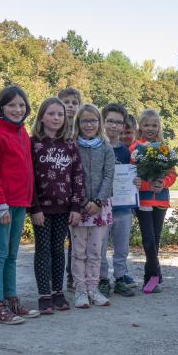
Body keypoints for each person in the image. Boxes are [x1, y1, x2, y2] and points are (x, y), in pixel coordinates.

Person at [0, 85, 40, 323]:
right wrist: (0, 205)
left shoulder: (22, 132)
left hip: (20, 202)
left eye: (21, 105)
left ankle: (11, 298)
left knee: (12, 254)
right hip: (4, 205)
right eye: (12, 105)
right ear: (1, 108)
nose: (17, 109)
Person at [30, 97, 84, 314]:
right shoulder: (33, 143)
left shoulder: (70, 144)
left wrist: (75, 206)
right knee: (43, 250)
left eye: (60, 114)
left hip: (64, 207)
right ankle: (44, 294)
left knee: (58, 250)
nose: (56, 118)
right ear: (42, 116)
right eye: (51, 114)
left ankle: (57, 292)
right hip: (42, 208)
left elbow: (78, 176)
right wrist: (34, 208)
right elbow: (29, 178)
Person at [71, 103, 115, 308]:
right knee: (79, 251)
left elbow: (108, 176)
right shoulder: (72, 145)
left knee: (96, 251)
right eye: (85, 121)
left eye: (93, 120)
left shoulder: (106, 148)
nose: (89, 125)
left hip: (99, 206)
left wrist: (98, 201)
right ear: (78, 123)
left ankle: (93, 288)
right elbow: (69, 176)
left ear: (100, 123)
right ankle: (79, 289)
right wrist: (81, 201)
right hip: (78, 207)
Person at [130, 109, 177, 294]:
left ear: (159, 127)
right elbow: (133, 176)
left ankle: (149, 278)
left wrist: (162, 182)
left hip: (161, 200)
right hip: (143, 199)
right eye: (146, 125)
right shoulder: (134, 148)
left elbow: (172, 174)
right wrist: (147, 185)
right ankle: (155, 274)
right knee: (148, 239)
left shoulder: (165, 148)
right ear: (140, 127)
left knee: (155, 240)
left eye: (154, 125)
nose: (150, 128)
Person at [100, 103, 139, 297]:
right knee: (99, 246)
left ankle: (121, 277)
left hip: (122, 206)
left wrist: (135, 182)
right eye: (110, 121)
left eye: (118, 122)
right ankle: (102, 279)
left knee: (121, 246)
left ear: (123, 126)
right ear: (103, 122)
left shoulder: (126, 151)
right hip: (101, 206)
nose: (114, 126)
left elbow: (130, 176)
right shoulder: (97, 146)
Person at [58, 87, 82, 291]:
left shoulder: (83, 128)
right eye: (66, 102)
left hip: (77, 188)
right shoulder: (55, 126)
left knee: (77, 239)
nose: (70, 106)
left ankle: (73, 276)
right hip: (57, 188)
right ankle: (56, 278)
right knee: (59, 238)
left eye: (75, 102)